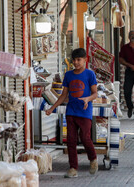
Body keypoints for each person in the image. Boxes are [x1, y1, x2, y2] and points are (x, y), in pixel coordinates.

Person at [45, 48, 98, 177]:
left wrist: (88, 99)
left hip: (85, 111)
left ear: (85, 60)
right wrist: (52, 108)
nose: (76, 62)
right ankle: (73, 168)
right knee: (71, 140)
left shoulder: (90, 74)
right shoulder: (68, 75)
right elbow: (64, 95)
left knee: (85, 137)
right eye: (74, 60)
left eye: (79, 60)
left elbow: (95, 93)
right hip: (71, 112)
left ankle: (93, 159)